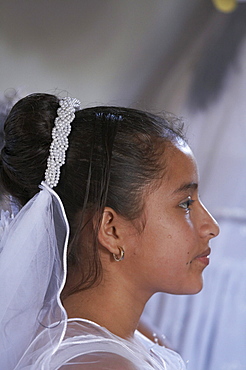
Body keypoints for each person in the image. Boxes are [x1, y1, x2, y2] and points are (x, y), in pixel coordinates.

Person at [0, 93, 219, 369]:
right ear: (112, 230)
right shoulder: (101, 364)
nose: (211, 227)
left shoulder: (124, 340)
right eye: (185, 204)